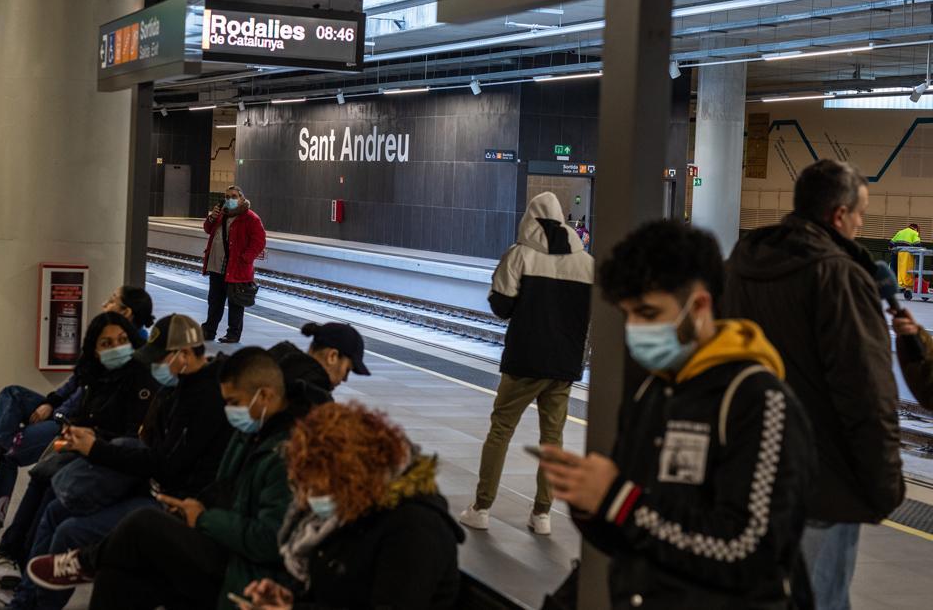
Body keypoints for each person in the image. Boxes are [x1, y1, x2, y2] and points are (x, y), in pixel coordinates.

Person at [542, 219, 813, 609]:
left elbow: (750, 551)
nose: (635, 328)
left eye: (649, 313)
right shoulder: (654, 391)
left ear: (700, 305)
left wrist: (618, 500)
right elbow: (635, 535)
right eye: (628, 314)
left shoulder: (757, 400)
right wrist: (592, 505)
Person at [724, 159, 904, 610]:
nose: (862, 226)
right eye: (860, 215)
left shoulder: (740, 266)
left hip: (746, 469)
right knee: (818, 597)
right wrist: (884, 484)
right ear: (839, 216)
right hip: (820, 483)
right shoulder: (839, 276)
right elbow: (865, 392)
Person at [0, 314, 231, 610]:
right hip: (151, 487)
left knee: (69, 531)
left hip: (171, 501)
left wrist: (96, 449)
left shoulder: (206, 400)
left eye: (160, 359)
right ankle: (23, 600)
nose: (154, 368)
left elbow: (166, 462)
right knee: (55, 508)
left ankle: (32, 604)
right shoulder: (177, 387)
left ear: (185, 354)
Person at [25, 347, 296, 610]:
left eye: (234, 403)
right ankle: (89, 563)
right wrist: (194, 508)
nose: (228, 411)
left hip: (245, 572)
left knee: (143, 522)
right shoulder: (248, 433)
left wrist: (204, 518)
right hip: (215, 535)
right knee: (117, 573)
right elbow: (222, 489)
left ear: (265, 396)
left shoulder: (286, 456)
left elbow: (270, 540)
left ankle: (86, 561)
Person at [0, 294, 154, 552]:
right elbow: (76, 384)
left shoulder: (133, 359)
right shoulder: (102, 344)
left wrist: (60, 414)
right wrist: (50, 403)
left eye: (113, 300)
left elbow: (90, 401)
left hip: (74, 424)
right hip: (61, 411)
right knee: (12, 394)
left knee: (8, 453)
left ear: (127, 312)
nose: (105, 303)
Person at [238, 402, 465, 610]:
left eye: (317, 489)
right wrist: (289, 600)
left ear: (353, 479)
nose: (307, 499)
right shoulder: (354, 511)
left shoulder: (414, 531)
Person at [460, 192, 593, 535]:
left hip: (524, 361)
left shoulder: (520, 255)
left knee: (501, 429)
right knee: (553, 439)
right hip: (564, 366)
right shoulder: (586, 263)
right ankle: (543, 515)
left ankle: (482, 508)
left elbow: (501, 305)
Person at [201, 185, 266, 344]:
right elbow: (208, 229)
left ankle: (233, 334)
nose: (229, 199)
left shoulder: (251, 218)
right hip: (217, 267)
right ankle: (209, 330)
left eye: (233, 196)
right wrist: (211, 217)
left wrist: (245, 259)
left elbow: (259, 242)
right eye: (227, 196)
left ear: (242, 199)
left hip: (237, 270)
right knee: (214, 301)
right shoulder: (221, 215)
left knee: (235, 303)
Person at [267, 322, 371, 394]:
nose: (345, 379)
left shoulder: (266, 363)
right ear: (332, 356)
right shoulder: (313, 400)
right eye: (347, 370)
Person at [889, 223, 922, 291]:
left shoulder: (900, 231)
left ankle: (894, 286)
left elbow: (891, 243)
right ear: (916, 229)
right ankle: (905, 285)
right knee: (904, 269)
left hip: (895, 251)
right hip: (905, 253)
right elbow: (917, 244)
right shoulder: (914, 233)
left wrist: (891, 248)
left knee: (894, 268)